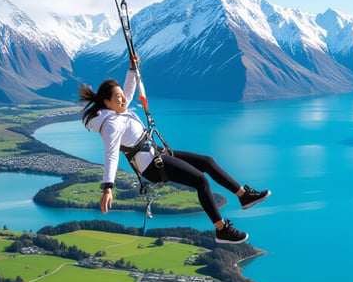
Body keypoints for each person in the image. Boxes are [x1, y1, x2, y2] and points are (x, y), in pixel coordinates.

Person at [78, 56, 270, 244]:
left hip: (156, 153)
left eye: (122, 96)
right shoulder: (112, 124)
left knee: (207, 162)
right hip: (152, 165)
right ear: (106, 102)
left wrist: (131, 69)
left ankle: (243, 196)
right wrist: (108, 187)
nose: (123, 99)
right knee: (200, 181)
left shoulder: (118, 110)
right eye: (118, 97)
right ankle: (221, 230)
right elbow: (111, 153)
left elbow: (128, 92)